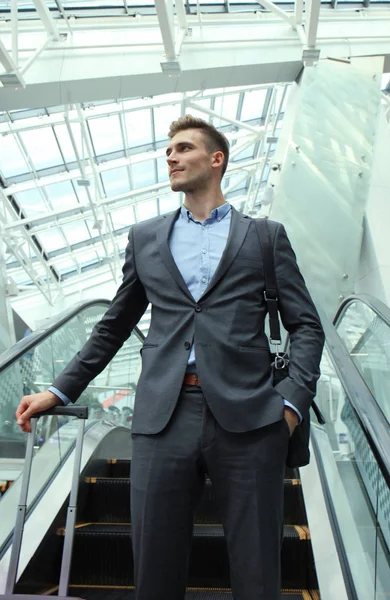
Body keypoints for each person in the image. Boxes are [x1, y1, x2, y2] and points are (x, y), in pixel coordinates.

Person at [16, 115, 325, 600]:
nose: (171, 158)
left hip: (251, 420)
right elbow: (114, 324)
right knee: (154, 575)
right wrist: (58, 390)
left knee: (258, 572)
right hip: (163, 419)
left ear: (216, 159)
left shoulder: (265, 236)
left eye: (183, 149)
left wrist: (290, 405)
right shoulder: (145, 238)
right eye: (168, 152)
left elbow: (306, 324)